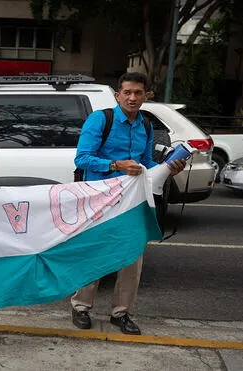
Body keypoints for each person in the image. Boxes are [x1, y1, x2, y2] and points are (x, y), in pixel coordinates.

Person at [72, 72, 186, 335]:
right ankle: (80, 307)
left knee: (132, 257)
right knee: (95, 253)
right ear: (118, 95)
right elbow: (82, 159)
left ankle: (121, 313)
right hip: (100, 199)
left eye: (138, 93)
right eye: (127, 92)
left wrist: (169, 168)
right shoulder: (101, 119)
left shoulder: (145, 125)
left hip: (133, 199)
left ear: (145, 95)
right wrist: (115, 165)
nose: (133, 98)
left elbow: (146, 162)